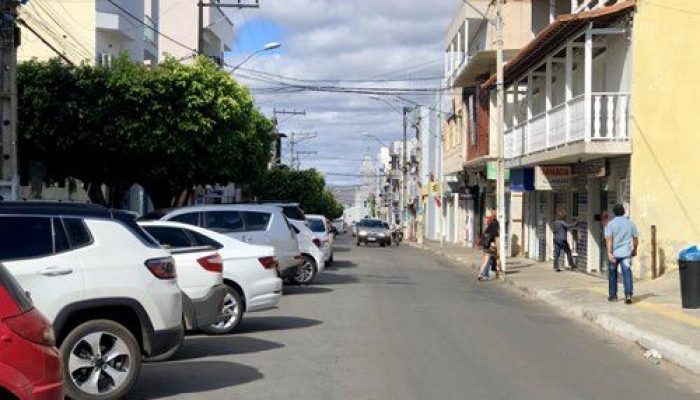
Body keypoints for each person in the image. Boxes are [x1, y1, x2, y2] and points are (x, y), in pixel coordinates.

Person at [605, 204, 639, 304]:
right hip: (626, 254)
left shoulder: (610, 224)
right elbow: (635, 239)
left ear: (614, 212)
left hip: (614, 254)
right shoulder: (630, 223)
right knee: (627, 273)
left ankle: (613, 296)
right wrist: (634, 250)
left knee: (612, 274)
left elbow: (609, 239)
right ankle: (628, 295)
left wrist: (609, 253)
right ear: (624, 212)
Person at [477, 211, 503, 281]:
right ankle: (500, 273)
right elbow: (495, 237)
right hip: (491, 245)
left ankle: (480, 274)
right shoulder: (495, 224)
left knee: (485, 260)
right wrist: (498, 247)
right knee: (497, 257)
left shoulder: (490, 222)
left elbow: (486, 233)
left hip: (485, 245)